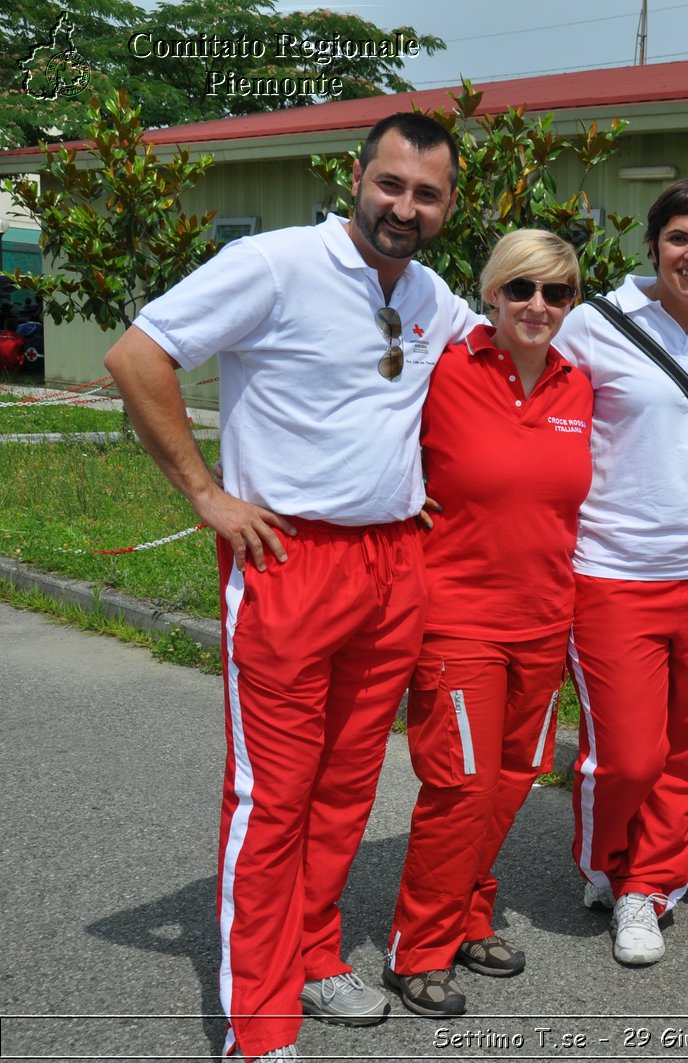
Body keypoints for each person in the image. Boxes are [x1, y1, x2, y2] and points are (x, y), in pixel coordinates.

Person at [103, 112, 475, 1061]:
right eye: (390, 184)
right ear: (357, 176)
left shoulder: (432, 293)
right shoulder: (275, 264)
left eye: (426, 193)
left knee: (348, 787)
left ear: (450, 204)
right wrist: (206, 495)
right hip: (286, 559)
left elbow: (515, 347)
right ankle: (258, 1025)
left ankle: (313, 950)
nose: (404, 206)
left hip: (394, 563)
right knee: (271, 796)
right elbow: (137, 356)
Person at [383, 231, 590, 1016]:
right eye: (522, 289)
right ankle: (420, 948)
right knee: (460, 788)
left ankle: (471, 914)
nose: (539, 306)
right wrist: (402, 493)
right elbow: (373, 424)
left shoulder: (580, 383)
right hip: (459, 621)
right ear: (492, 293)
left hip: (545, 619)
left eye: (557, 293)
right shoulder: (446, 368)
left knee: (510, 781)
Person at [560, 178, 688, 967]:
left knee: (687, 745)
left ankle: (649, 885)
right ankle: (606, 857)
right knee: (626, 753)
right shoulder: (592, 325)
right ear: (654, 243)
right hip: (614, 569)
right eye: (680, 238)